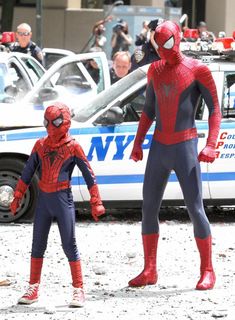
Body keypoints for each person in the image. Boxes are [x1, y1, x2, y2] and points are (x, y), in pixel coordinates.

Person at [128, 21, 221, 290]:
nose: (163, 50)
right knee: (148, 207)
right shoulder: (155, 70)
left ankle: (207, 270)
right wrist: (138, 142)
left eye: (167, 43)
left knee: (195, 208)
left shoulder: (197, 69)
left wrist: (211, 143)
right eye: (159, 44)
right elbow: (148, 110)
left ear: (177, 39)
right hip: (160, 146)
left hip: (185, 146)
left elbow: (214, 110)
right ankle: (149, 269)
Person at [10, 102, 105, 307]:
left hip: (62, 198)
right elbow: (27, 172)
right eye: (48, 122)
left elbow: (89, 175)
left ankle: (78, 288)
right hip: (44, 200)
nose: (51, 127)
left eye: (56, 122)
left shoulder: (73, 146)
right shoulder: (40, 145)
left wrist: (96, 201)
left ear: (65, 122)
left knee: (69, 245)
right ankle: (33, 287)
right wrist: (17, 195)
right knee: (37, 245)